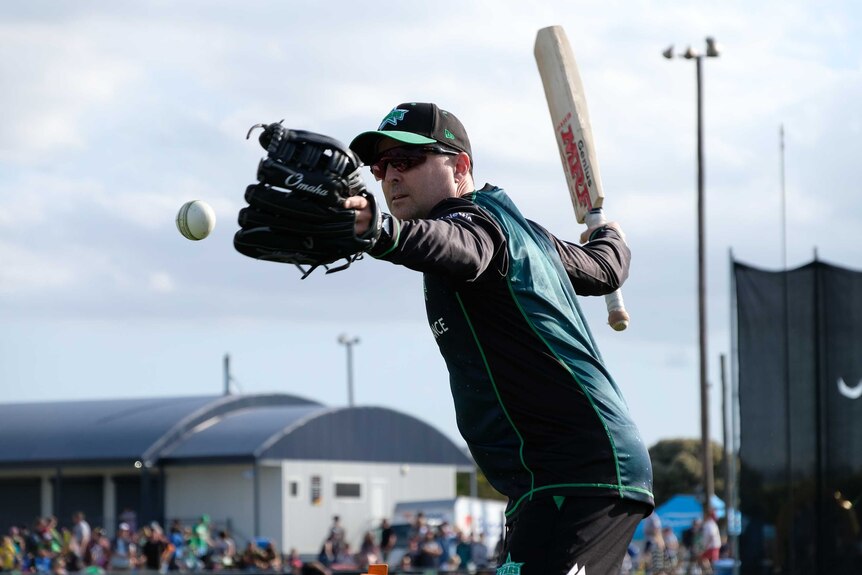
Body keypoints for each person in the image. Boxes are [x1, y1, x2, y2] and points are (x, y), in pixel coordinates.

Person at [344, 102, 654, 575]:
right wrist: (611, 236)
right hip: (546, 478)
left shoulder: (475, 225)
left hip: (580, 472)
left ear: (460, 166)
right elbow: (605, 267)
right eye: (381, 165)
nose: (389, 177)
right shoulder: (527, 235)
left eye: (407, 161)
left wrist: (381, 232)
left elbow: (458, 245)